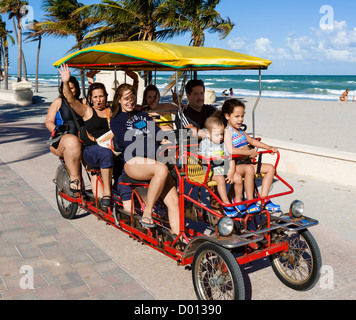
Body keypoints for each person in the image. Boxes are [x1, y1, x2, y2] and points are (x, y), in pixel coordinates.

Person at [110, 83, 180, 235]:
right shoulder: (116, 120)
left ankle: (180, 239)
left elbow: (157, 134)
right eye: (126, 98)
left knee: (174, 201)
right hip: (133, 161)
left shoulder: (142, 115)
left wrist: (165, 141)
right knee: (161, 169)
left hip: (154, 160)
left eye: (132, 98)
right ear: (119, 100)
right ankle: (147, 212)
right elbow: (127, 142)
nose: (130, 101)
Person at [59, 64, 115, 208]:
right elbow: (71, 99)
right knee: (106, 154)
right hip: (92, 151)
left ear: (106, 97)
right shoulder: (87, 111)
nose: (98, 100)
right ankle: (107, 193)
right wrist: (65, 82)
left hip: (111, 147)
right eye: (95, 97)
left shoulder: (111, 110)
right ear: (90, 99)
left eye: (101, 96)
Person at [219, 98, 280, 212]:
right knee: (249, 169)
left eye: (242, 116)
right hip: (233, 166)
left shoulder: (241, 132)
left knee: (270, 168)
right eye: (237, 116)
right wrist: (249, 153)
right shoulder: (227, 131)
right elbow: (231, 150)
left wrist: (268, 147)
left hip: (246, 164)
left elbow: (252, 141)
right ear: (227, 116)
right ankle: (250, 202)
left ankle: (263, 199)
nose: (240, 119)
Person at [199, 117, 249, 217]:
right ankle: (226, 203)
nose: (220, 137)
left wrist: (231, 173)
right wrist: (211, 157)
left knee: (238, 178)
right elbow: (201, 159)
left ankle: (237, 200)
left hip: (223, 169)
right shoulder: (204, 143)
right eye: (217, 135)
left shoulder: (223, 144)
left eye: (222, 134)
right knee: (220, 179)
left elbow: (230, 158)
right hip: (210, 171)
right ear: (208, 134)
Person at [45, 75, 83, 194]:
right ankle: (74, 179)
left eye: (72, 88)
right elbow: (48, 122)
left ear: (77, 89)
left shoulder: (82, 102)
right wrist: (57, 129)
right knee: (72, 141)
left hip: (82, 138)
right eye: (67, 87)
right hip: (62, 140)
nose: (69, 90)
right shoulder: (58, 102)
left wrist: (91, 81)